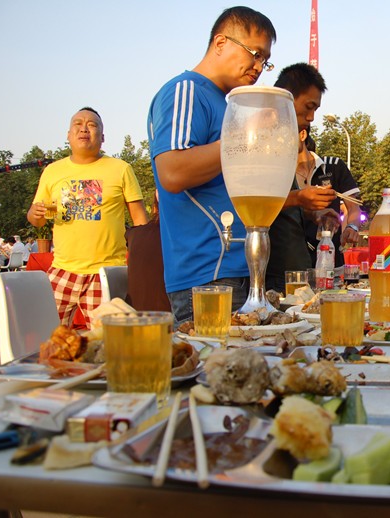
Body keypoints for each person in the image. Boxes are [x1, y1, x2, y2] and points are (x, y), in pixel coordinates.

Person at [147, 6, 276, 323]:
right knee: (215, 371)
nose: (258, 66)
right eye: (254, 54)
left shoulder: (226, 103)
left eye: (265, 60)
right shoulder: (187, 90)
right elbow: (173, 172)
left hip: (237, 270)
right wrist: (245, 135)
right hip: (207, 277)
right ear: (220, 43)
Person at [27, 107, 147, 327]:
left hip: (107, 272)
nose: (84, 128)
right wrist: (33, 214)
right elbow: (39, 219)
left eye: (92, 125)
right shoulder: (53, 171)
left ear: (103, 137)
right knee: (48, 337)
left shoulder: (120, 169)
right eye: (78, 124)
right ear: (68, 135)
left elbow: (140, 220)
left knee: (108, 343)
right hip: (63, 269)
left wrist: (145, 261)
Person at [266, 63, 339, 292]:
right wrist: (299, 198)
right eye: (308, 107)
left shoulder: (282, 143)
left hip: (295, 270)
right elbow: (253, 203)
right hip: (274, 274)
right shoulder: (260, 140)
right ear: (286, 98)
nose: (311, 117)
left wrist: (311, 213)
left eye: (316, 109)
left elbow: (281, 206)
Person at [301, 129, 362, 268]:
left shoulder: (333, 166)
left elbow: (354, 208)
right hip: (294, 257)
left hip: (330, 253)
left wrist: (352, 227)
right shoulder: (284, 170)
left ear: (302, 135)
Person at [125, 194, 170, 312]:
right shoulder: (185, 238)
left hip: (135, 321)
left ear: (155, 207)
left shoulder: (134, 235)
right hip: (172, 325)